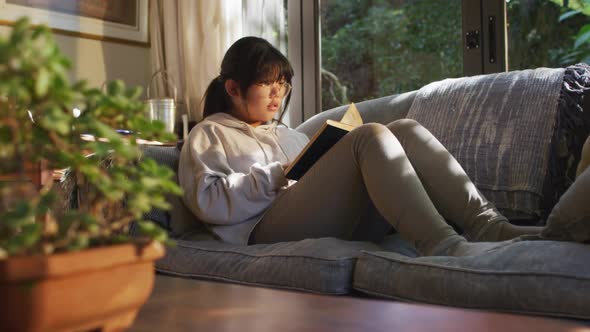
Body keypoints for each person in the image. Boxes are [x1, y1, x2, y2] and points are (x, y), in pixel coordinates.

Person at [178, 36, 590, 256]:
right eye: (267, 83)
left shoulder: (288, 134)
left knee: (404, 129)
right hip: (262, 231)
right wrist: (277, 175)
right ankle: (445, 246)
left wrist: (309, 158)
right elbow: (209, 201)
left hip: (327, 216)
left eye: (283, 84)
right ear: (233, 87)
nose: (277, 94)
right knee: (370, 136)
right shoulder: (209, 134)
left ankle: (489, 226)